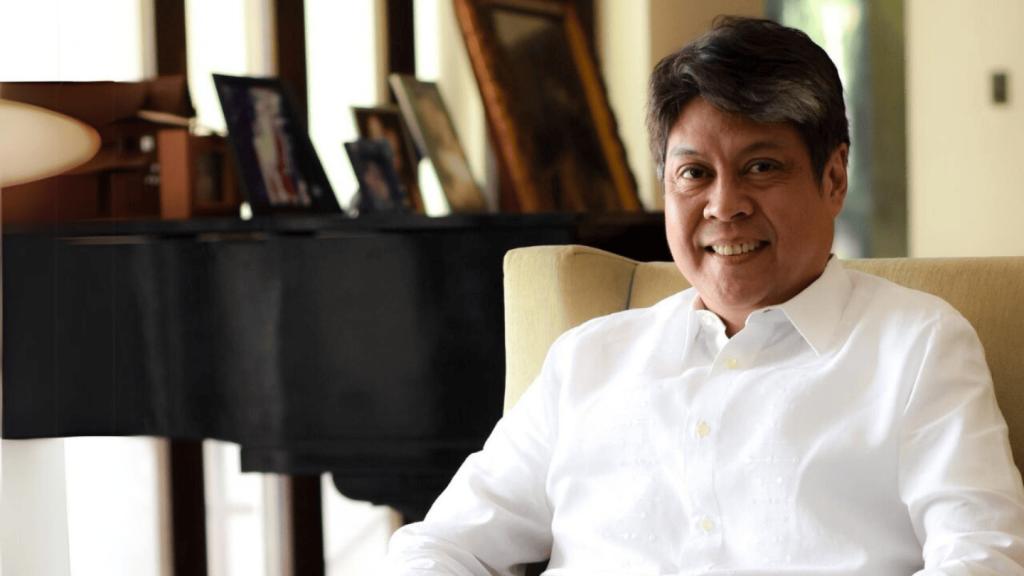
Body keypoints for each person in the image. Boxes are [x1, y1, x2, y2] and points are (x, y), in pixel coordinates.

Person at [384, 17, 1024, 575]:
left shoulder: (917, 347)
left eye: (761, 167)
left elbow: (983, 559)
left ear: (833, 178)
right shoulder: (586, 360)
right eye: (694, 173)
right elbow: (442, 546)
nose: (725, 205)